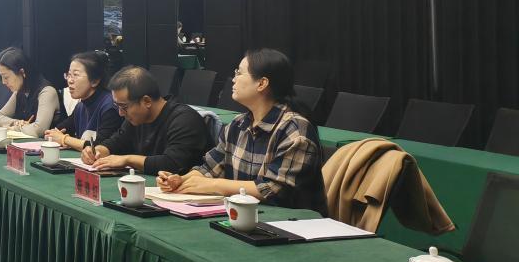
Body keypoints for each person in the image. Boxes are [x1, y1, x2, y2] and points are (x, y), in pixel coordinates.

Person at [157, 49, 326, 213]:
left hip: (291, 224)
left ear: (262, 84)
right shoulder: (238, 124)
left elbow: (273, 190)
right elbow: (209, 168)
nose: (233, 79)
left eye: (239, 73)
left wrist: (213, 185)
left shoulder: (294, 131)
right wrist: (179, 180)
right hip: (246, 218)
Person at [82, 66, 209, 174]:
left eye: (124, 107)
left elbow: (173, 164)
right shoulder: (136, 119)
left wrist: (128, 160)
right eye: (117, 106)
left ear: (146, 101)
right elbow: (116, 142)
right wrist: (98, 151)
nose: (120, 113)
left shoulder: (184, 120)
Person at [43, 51, 122, 152]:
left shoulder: (110, 106)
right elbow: (55, 132)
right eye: (69, 75)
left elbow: (100, 148)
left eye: (76, 75)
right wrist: (54, 136)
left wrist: (64, 139)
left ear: (95, 81)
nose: (70, 80)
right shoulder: (80, 106)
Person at [0, 47, 59, 138]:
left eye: (6, 77)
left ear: (22, 72)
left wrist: (15, 128)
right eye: (1, 77)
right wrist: (16, 122)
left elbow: (38, 130)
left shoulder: (47, 91)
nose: (3, 82)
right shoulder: (19, 91)